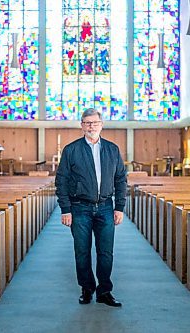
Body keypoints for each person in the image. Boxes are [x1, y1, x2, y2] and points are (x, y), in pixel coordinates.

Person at [55, 108, 127, 307]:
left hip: (105, 207)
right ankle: (87, 289)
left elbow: (121, 179)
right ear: (82, 125)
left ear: (101, 124)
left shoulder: (112, 149)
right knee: (82, 251)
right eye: (87, 123)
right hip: (80, 208)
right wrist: (65, 209)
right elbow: (61, 181)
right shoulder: (71, 150)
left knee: (106, 252)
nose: (91, 126)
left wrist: (119, 207)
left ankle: (104, 291)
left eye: (94, 122)